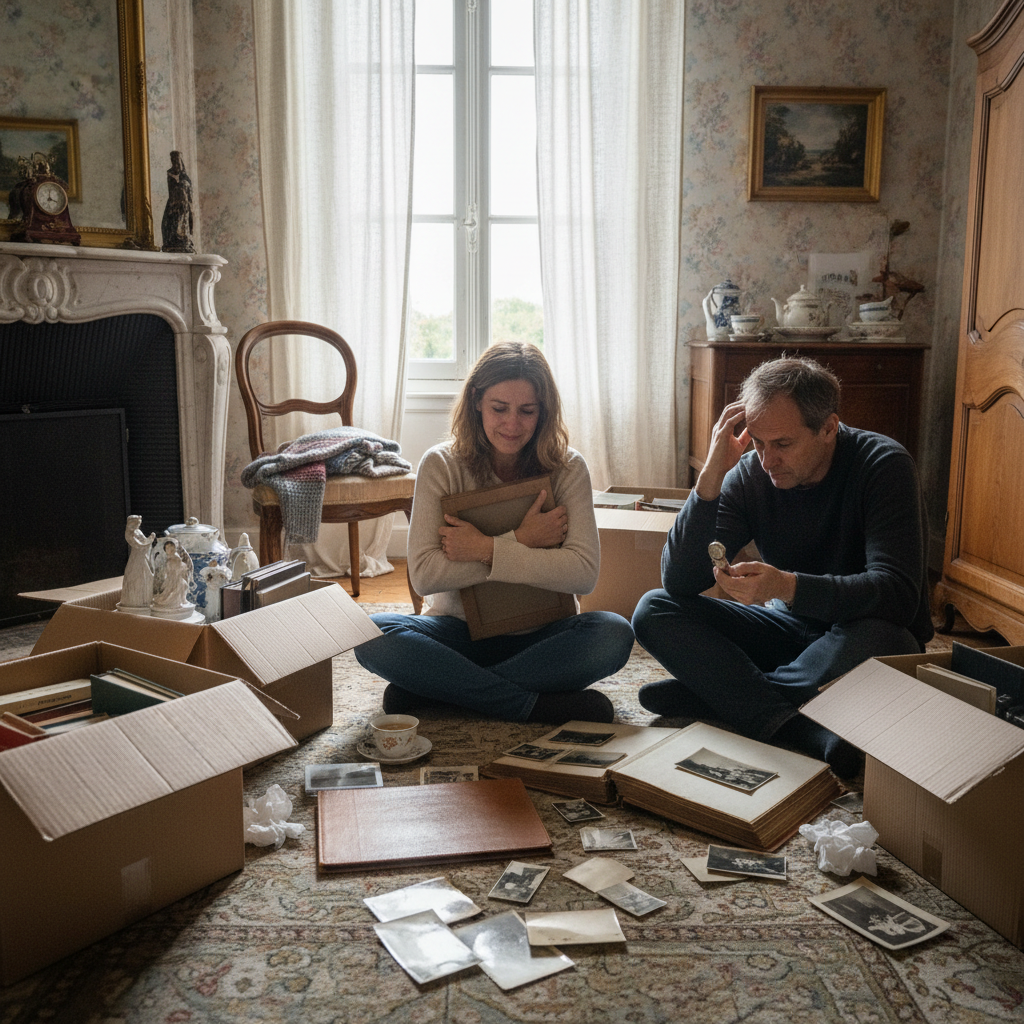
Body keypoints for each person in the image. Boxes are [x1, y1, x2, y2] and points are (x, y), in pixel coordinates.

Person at [631, 356, 933, 776]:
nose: (767, 459)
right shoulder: (751, 472)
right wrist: (709, 480)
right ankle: (793, 726)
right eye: (757, 441)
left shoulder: (883, 464)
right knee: (654, 608)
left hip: (862, 633)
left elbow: (898, 595)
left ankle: (724, 696)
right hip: (792, 635)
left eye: (783, 444)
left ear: (828, 428)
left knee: (889, 638)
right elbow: (681, 580)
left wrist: (788, 587)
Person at [354, 341, 634, 723]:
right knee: (368, 632)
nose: (512, 424)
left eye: (527, 411)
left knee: (614, 633)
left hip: (543, 638)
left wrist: (483, 549)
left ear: (544, 411)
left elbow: (583, 574)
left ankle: (446, 692)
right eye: (499, 408)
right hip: (457, 635)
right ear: (476, 401)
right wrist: (519, 541)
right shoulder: (441, 464)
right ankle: (531, 704)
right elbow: (424, 577)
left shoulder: (568, 467)